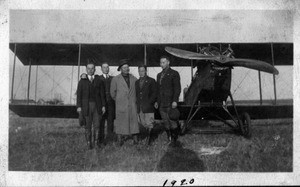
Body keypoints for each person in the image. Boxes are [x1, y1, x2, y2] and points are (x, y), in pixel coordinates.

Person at [76, 61, 106, 149]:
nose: (90, 70)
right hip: (86, 106)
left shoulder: (99, 80)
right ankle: (89, 143)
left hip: (97, 105)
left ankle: (96, 143)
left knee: (97, 125)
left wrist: (103, 105)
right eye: (88, 68)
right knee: (87, 125)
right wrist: (79, 107)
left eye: (92, 68)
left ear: (95, 69)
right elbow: (79, 95)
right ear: (86, 69)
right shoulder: (82, 81)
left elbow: (102, 94)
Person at [110, 59, 139, 146]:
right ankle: (119, 139)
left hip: (132, 105)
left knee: (134, 122)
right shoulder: (115, 79)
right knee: (120, 122)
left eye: (127, 67)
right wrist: (120, 100)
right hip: (121, 105)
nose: (126, 69)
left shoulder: (134, 79)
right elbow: (112, 93)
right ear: (120, 69)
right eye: (124, 67)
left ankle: (135, 139)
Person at [155, 56, 181, 144]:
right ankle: (169, 138)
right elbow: (158, 90)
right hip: (161, 104)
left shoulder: (174, 73)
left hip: (170, 102)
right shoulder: (159, 75)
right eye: (160, 63)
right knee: (165, 122)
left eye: (163, 62)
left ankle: (174, 140)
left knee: (172, 121)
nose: (161, 64)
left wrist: (175, 101)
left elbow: (177, 88)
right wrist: (157, 102)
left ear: (168, 62)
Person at [135, 65, 157, 145]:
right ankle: (147, 136)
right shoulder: (137, 82)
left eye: (143, 71)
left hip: (148, 106)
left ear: (146, 71)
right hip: (140, 107)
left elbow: (154, 93)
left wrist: (150, 102)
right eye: (139, 71)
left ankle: (149, 140)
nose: (141, 72)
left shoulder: (151, 81)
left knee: (149, 123)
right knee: (143, 123)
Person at [99, 62, 115, 144]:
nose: (106, 69)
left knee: (110, 122)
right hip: (102, 104)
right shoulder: (98, 78)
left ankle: (110, 139)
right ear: (101, 69)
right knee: (101, 122)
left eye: (107, 67)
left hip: (111, 104)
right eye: (104, 67)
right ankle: (101, 140)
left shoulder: (113, 78)